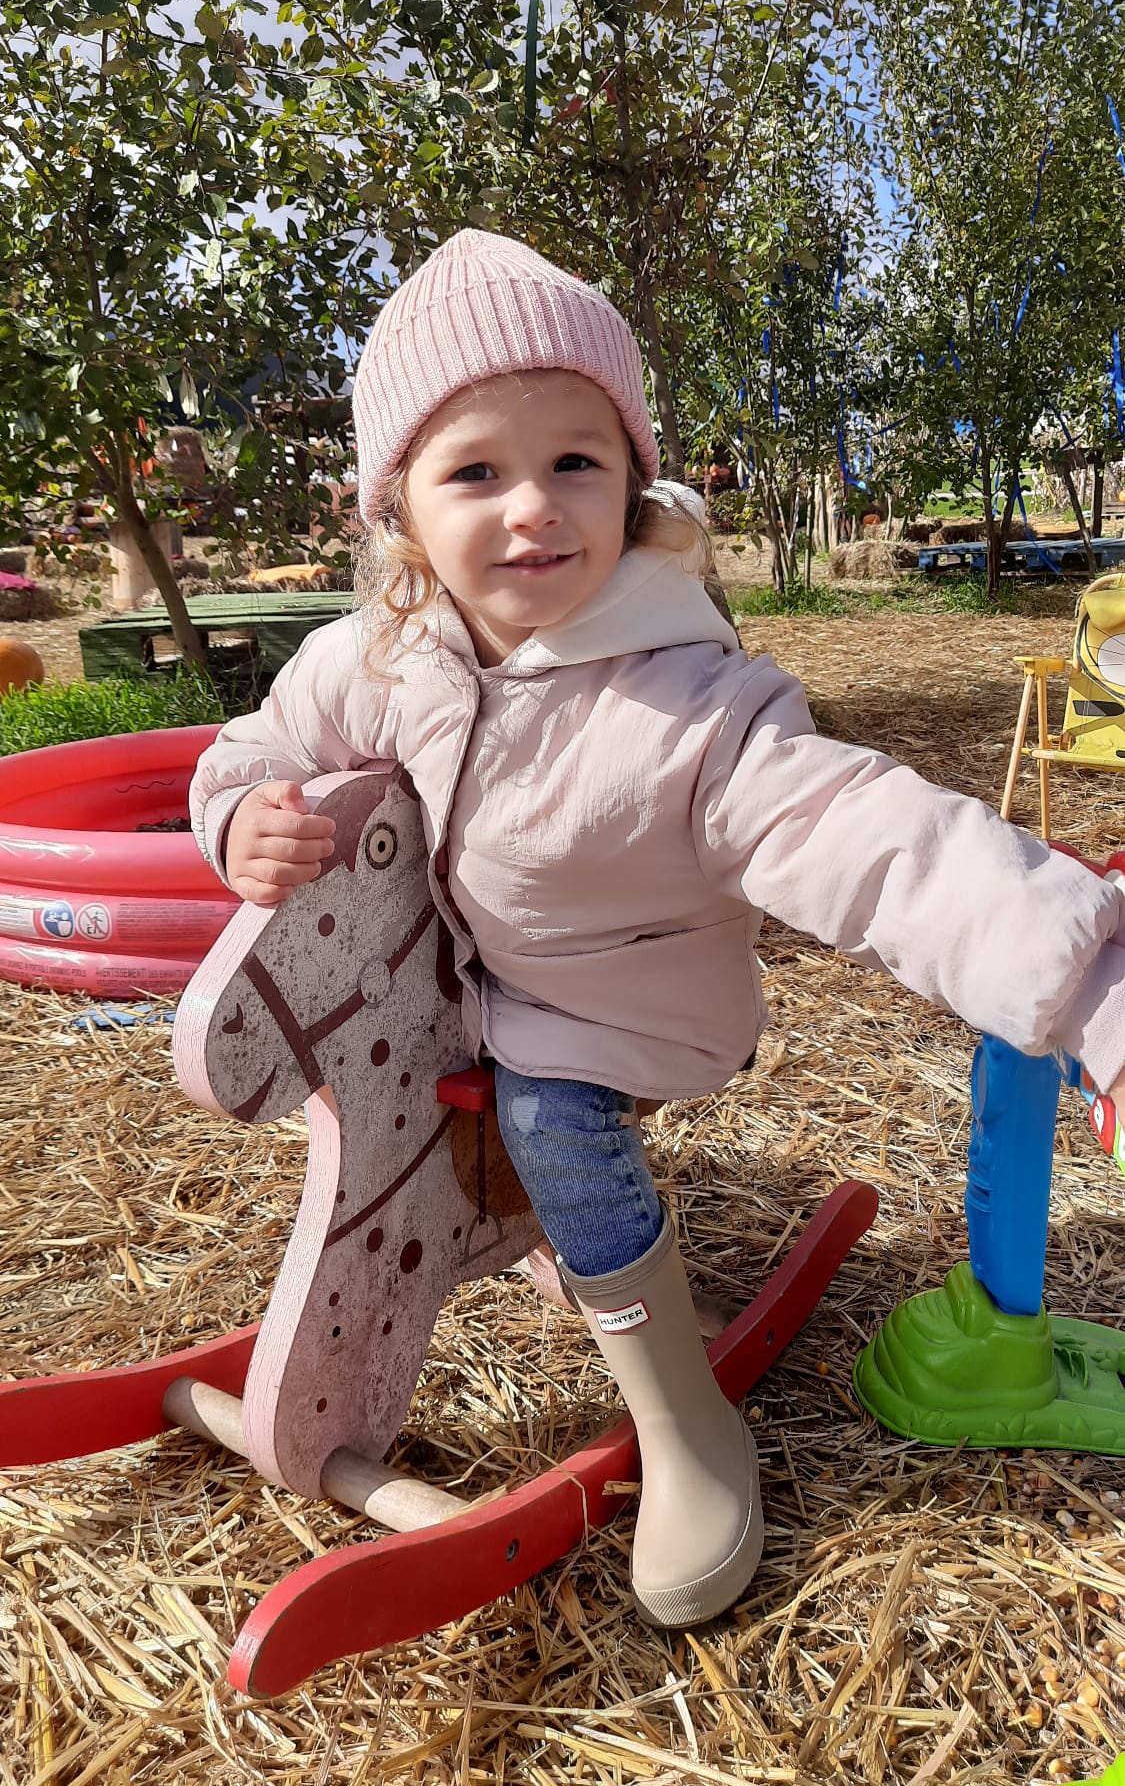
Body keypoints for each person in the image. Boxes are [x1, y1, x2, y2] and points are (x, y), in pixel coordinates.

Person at [190, 229, 1125, 1631]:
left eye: (575, 460)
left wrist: (1094, 984)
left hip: (610, 1012)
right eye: (474, 472)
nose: (532, 508)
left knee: (549, 1121)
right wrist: (238, 816)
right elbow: (248, 749)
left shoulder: (689, 709)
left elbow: (882, 841)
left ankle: (683, 1422)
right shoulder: (378, 653)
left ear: (630, 483)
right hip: (452, 983)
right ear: (400, 514)